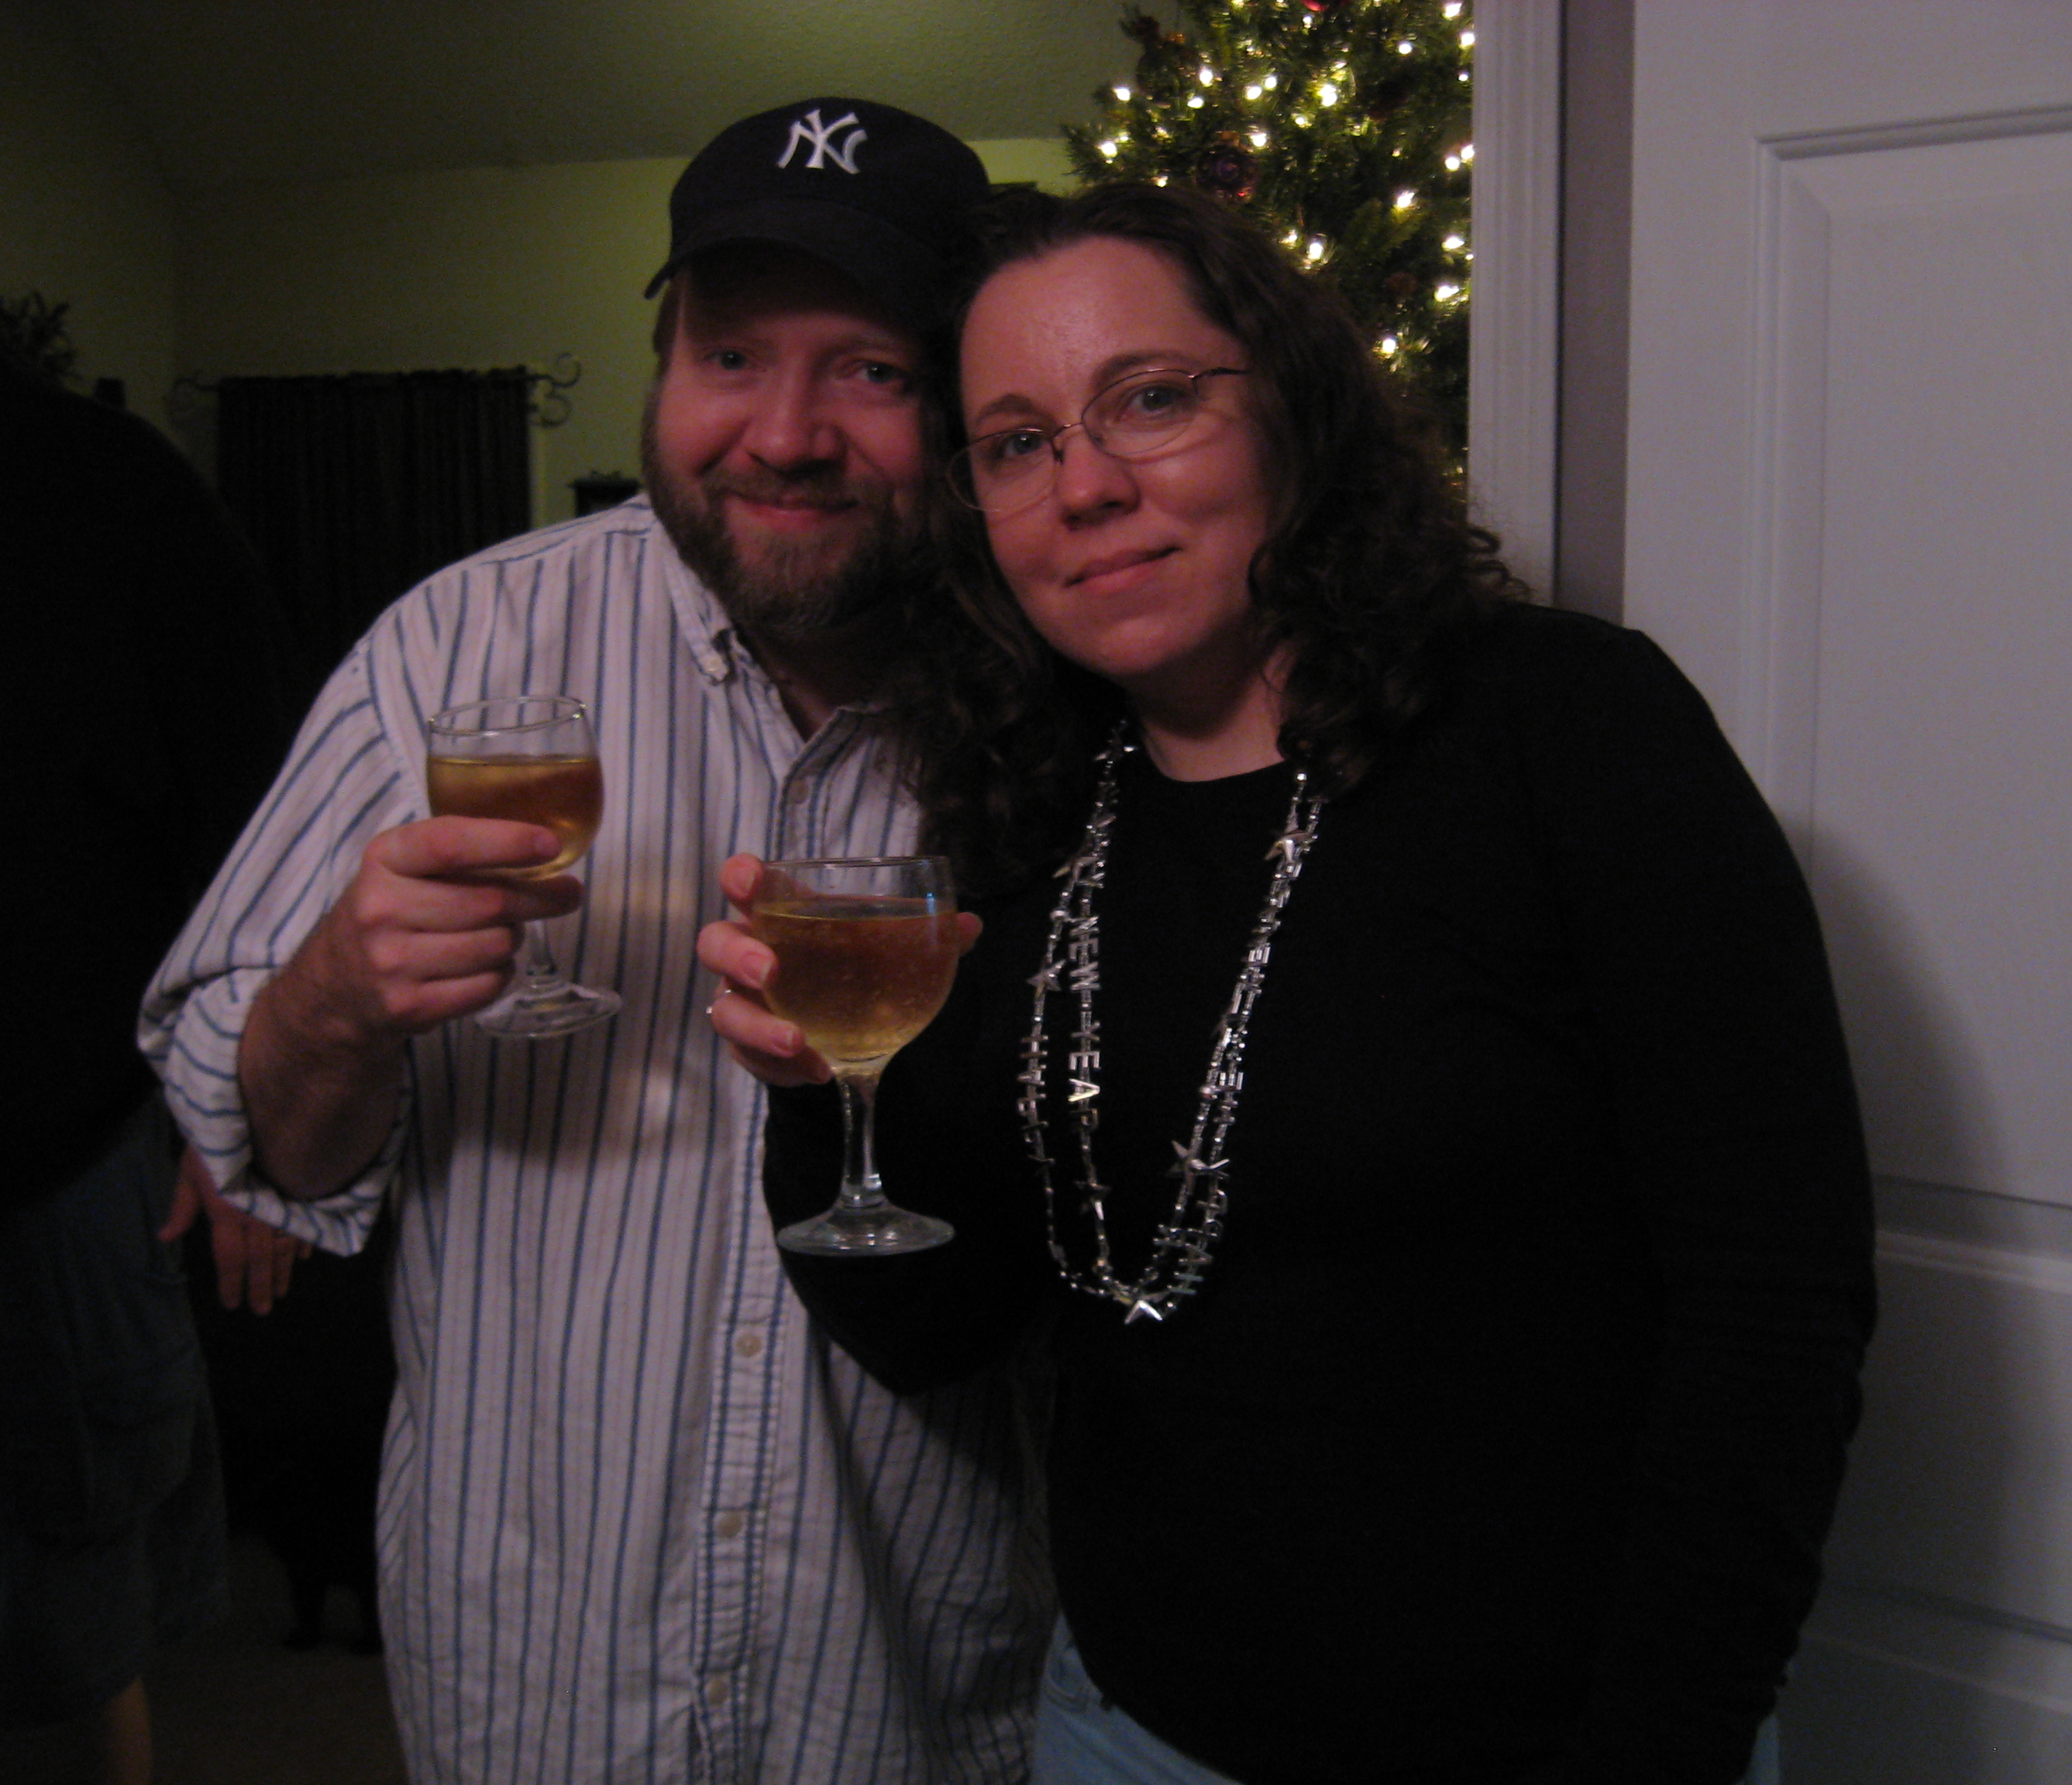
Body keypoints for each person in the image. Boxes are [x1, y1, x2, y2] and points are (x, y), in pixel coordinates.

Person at [701, 182, 1878, 1785]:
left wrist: (1659, 1748)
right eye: (1020, 443)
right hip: (1124, 1730)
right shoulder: (1027, 816)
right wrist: (816, 1097)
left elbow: (1777, 1299)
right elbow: (938, 1329)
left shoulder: (1567, 727)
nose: (1088, 486)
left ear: (1294, 411)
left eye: (1151, 400)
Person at [143, 99, 1048, 1783]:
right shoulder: (456, 646)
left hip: (906, 1672)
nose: (784, 434)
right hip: (542, 1671)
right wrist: (334, 1001)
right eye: (729, 355)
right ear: (663, 360)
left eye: (869, 370)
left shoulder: (1056, 681)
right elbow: (273, 1146)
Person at [0, 31, 294, 1785]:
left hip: (23, 1219)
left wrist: (242, 1123)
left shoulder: (111, 498)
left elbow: (267, 830)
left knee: (38, 1669)